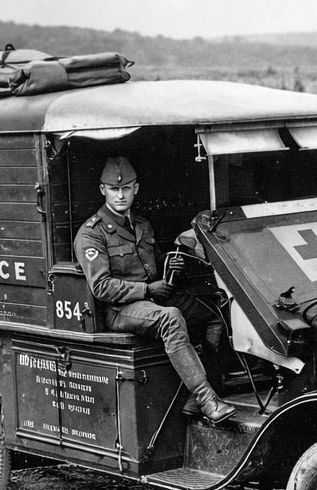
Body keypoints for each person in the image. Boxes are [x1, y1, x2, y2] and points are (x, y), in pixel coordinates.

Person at [75, 156, 237, 423]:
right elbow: (101, 287)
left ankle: (194, 399)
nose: (120, 195)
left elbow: (153, 263)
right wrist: (148, 290)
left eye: (126, 188)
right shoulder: (92, 233)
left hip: (151, 299)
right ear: (103, 190)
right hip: (120, 310)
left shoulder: (142, 225)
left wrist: (170, 262)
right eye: (114, 189)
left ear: (136, 189)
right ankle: (207, 400)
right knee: (170, 317)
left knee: (216, 310)